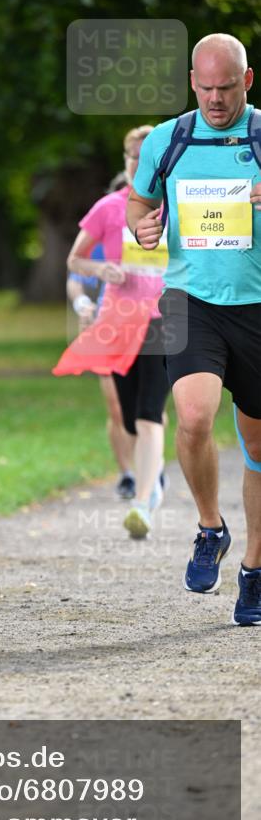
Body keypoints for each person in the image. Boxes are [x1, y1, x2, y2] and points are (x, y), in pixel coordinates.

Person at [128, 32, 261, 626]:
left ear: (247, 81)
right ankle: (211, 525)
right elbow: (137, 205)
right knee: (195, 418)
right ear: (191, 82)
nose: (214, 98)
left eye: (226, 87)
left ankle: (255, 571)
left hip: (258, 305)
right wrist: (142, 230)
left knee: (257, 447)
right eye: (204, 87)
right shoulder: (168, 139)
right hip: (190, 299)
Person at [64, 124, 170, 539]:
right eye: (133, 159)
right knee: (127, 417)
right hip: (117, 322)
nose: (140, 166)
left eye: (149, 160)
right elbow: (75, 260)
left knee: (149, 412)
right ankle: (150, 476)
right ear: (126, 165)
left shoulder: (173, 207)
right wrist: (100, 269)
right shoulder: (108, 208)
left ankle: (145, 501)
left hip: (166, 321)